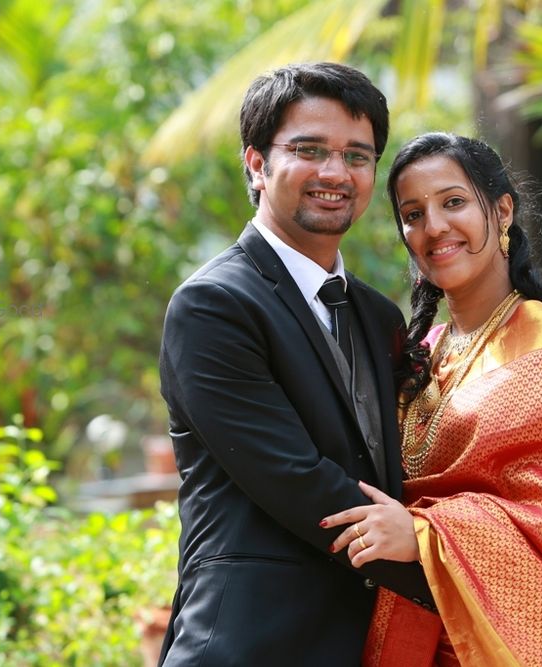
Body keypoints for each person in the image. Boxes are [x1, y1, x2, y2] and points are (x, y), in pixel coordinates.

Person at [321, 133, 542, 666]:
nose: (434, 227)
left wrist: (427, 532)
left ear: (501, 212)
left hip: (514, 642)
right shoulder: (415, 354)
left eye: (453, 202)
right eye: (412, 214)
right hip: (415, 629)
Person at [156, 63, 435, 667]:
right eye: (310, 150)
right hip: (249, 642)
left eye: (357, 157)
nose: (335, 173)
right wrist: (450, 565)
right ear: (257, 164)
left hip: (364, 641)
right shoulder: (214, 305)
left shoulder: (378, 314)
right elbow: (296, 479)